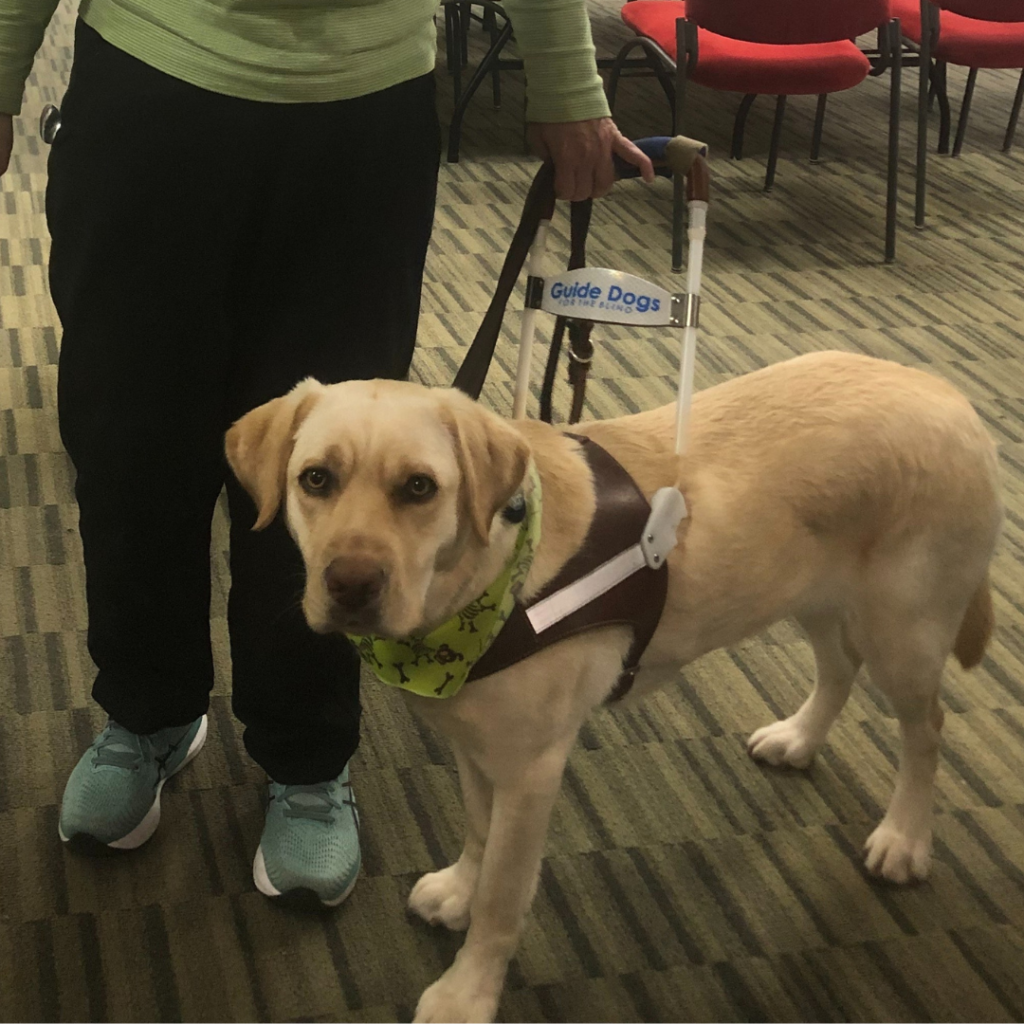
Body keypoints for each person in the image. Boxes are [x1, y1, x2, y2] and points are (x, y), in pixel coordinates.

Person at [0, 0, 653, 905]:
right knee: (132, 443)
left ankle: (306, 756)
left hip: (362, 107)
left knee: (344, 478)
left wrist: (569, 75)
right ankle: (144, 711)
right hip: (151, 83)